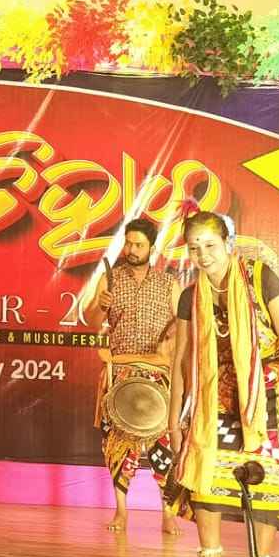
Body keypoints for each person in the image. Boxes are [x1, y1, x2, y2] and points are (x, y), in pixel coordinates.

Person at [165, 212, 279, 557]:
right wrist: (174, 421)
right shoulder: (191, 296)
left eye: (210, 245)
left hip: (270, 393)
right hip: (213, 395)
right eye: (195, 248)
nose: (203, 255)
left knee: (268, 477)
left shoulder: (261, 279)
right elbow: (182, 359)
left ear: (228, 244)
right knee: (205, 470)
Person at [81, 217, 180, 535]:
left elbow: (183, 326)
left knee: (163, 445)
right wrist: (100, 305)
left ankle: (168, 512)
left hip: (158, 372)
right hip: (120, 371)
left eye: (139, 245)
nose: (132, 250)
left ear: (152, 248)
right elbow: (90, 322)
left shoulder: (168, 283)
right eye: (129, 243)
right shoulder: (110, 278)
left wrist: (171, 343)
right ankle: (121, 511)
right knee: (118, 443)